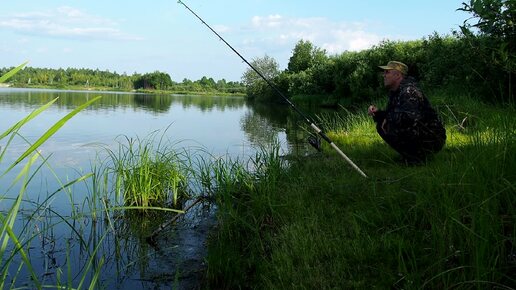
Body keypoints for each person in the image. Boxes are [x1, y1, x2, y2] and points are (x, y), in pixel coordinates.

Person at [368, 61, 446, 164]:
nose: (384, 75)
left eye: (387, 72)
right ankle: (410, 156)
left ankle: (417, 158)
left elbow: (410, 118)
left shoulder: (409, 91)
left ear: (397, 75)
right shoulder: (396, 92)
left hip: (431, 136)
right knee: (383, 124)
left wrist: (387, 117)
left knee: (393, 124)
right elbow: (393, 114)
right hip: (421, 132)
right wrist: (378, 113)